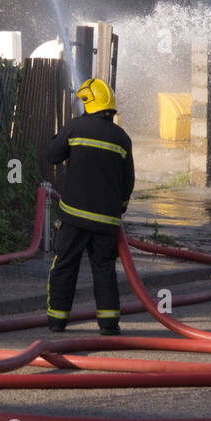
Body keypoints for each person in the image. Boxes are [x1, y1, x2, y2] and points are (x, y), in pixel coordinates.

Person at [43, 77, 135, 336]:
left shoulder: (75, 128)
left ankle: (57, 321)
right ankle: (108, 324)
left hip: (73, 217)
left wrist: (59, 136)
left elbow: (52, 155)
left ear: (88, 103)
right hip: (107, 221)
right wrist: (120, 208)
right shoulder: (122, 138)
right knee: (104, 268)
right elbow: (128, 180)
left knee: (64, 265)